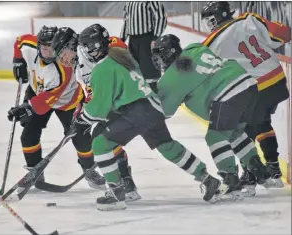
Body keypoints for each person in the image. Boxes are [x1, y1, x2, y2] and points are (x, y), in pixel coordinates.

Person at [74, 23, 222, 211]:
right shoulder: (121, 56)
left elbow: (99, 108)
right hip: (152, 107)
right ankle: (208, 180)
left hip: (135, 112)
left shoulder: (102, 68)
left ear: (94, 47)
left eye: (86, 46)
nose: (85, 50)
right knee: (167, 146)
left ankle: (117, 194)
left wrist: (82, 119)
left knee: (100, 144)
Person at [151, 34, 272, 200]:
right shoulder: (195, 48)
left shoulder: (172, 77)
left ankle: (231, 181)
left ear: (169, 53)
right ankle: (258, 168)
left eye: (159, 55)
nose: (158, 61)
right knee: (233, 133)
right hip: (248, 85)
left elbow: (163, 112)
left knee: (215, 136)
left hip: (228, 92)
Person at [201, 1, 291, 194]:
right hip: (276, 81)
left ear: (217, 17)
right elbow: (282, 35)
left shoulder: (210, 44)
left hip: (252, 89)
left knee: (241, 129)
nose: (208, 25)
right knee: (262, 123)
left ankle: (250, 176)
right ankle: (274, 169)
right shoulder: (250, 19)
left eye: (209, 20)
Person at [7, 25, 105, 190]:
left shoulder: (62, 70)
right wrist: (18, 61)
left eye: (52, 49)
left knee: (80, 137)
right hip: (37, 92)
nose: (48, 53)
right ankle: (34, 172)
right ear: (38, 46)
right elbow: (19, 41)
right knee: (28, 135)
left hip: (68, 101)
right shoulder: (30, 45)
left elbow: (44, 103)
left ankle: (89, 169)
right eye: (44, 48)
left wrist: (26, 108)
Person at [51, 27, 141, 202]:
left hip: (127, 99)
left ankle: (123, 184)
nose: (62, 59)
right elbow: (90, 93)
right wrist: (81, 112)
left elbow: (115, 44)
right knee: (104, 137)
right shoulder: (78, 69)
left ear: (72, 45)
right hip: (115, 103)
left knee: (102, 137)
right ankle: (126, 183)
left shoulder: (87, 50)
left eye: (63, 53)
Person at [120, 1, 167, 93]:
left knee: (149, 69)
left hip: (147, 39)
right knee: (134, 69)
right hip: (132, 40)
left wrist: (155, 37)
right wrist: (121, 39)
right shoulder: (129, 2)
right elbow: (126, 21)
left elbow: (161, 18)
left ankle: (154, 93)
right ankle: (138, 95)